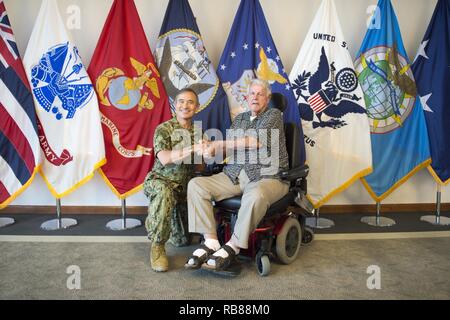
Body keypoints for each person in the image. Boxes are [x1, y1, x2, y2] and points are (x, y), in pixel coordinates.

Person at [185, 78, 290, 271]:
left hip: (268, 176)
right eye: (252, 93)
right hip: (235, 174)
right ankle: (211, 242)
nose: (255, 97)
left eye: (260, 94)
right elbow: (230, 150)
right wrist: (210, 149)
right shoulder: (240, 119)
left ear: (267, 99)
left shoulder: (274, 115)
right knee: (196, 185)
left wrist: (220, 144)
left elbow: (254, 141)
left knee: (256, 194)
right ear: (247, 97)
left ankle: (232, 246)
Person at [144, 88, 205, 272]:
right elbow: (165, 158)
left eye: (190, 102)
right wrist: (194, 148)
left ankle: (163, 218)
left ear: (197, 107)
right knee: (164, 193)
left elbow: (200, 167)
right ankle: (157, 245)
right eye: (181, 101)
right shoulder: (164, 129)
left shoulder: (198, 131)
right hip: (160, 181)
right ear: (175, 105)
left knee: (181, 241)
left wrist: (208, 152)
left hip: (183, 189)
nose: (185, 105)